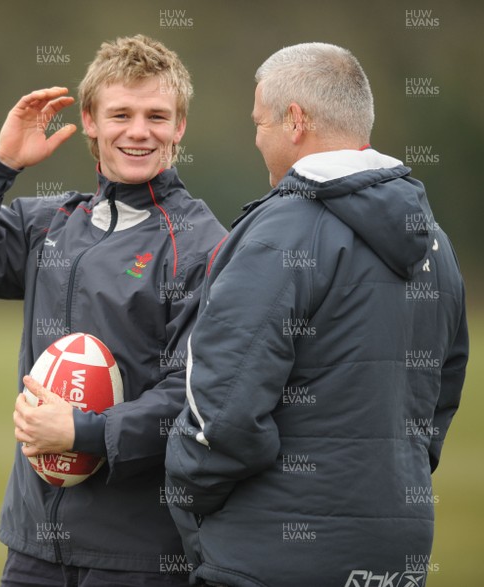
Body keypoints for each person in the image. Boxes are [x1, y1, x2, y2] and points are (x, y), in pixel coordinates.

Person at [0, 35, 227, 586]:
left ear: (179, 128)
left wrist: (84, 431)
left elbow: (197, 402)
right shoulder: (50, 223)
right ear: (90, 121)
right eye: (121, 114)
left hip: (140, 557)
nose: (138, 131)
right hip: (33, 549)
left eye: (157, 115)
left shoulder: (204, 246)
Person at [165, 42, 468, 587]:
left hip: (269, 557)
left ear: (295, 120)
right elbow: (438, 404)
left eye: (260, 123)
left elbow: (224, 411)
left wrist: (189, 504)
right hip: (397, 558)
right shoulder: (436, 243)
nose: (256, 138)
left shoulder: (281, 230)